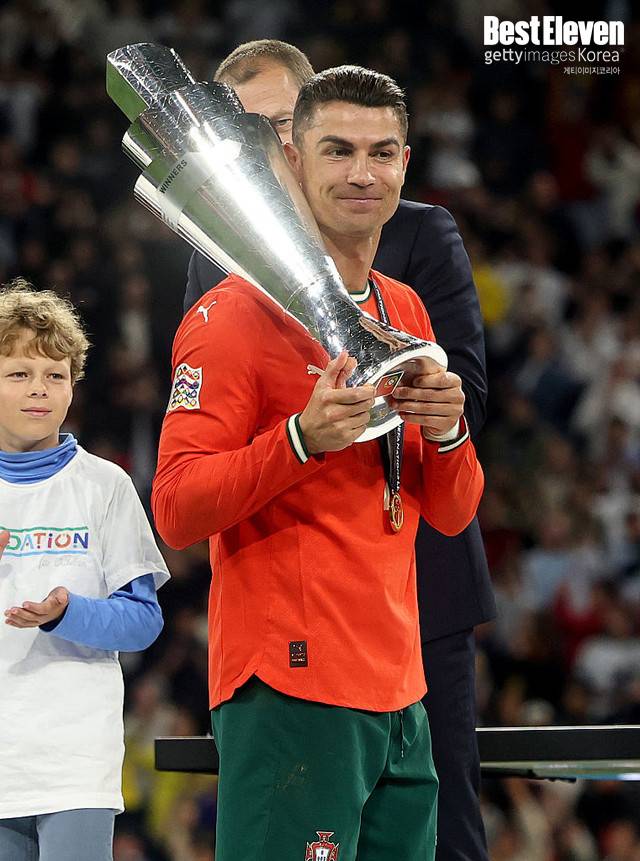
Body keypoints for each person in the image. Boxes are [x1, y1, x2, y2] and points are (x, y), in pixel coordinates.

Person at [153, 65, 483, 860]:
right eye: (338, 150)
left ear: (406, 164)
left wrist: (449, 432)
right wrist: (299, 441)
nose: (362, 173)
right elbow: (176, 506)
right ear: (294, 161)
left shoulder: (404, 306)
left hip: (402, 690)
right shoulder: (233, 313)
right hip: (290, 685)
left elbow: (451, 510)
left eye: (381, 152)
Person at [0, 279, 170, 861]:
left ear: (74, 384)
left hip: (75, 762)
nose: (39, 389)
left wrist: (67, 613)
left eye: (55, 375)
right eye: (19, 373)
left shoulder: (105, 485)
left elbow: (143, 621)